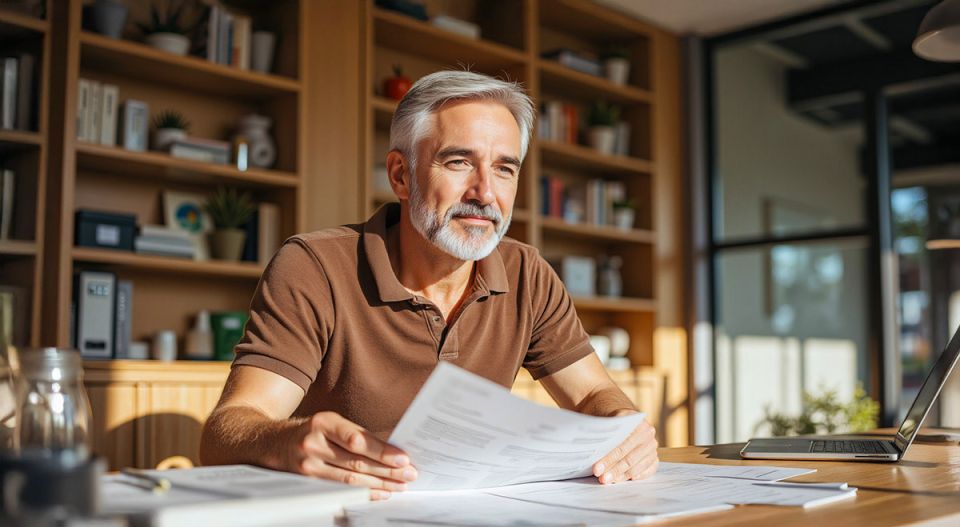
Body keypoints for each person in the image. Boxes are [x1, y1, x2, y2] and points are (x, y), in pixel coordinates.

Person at [199, 70, 658, 501]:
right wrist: (287, 441)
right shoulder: (314, 266)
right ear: (401, 175)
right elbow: (226, 432)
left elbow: (592, 394)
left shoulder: (527, 273)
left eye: (504, 168)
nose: (485, 192)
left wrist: (622, 426)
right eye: (459, 161)